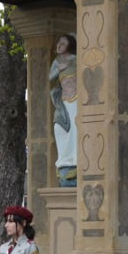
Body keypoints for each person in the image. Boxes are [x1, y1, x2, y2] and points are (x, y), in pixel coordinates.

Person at [50, 34, 78, 187]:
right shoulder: (57, 62)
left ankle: (74, 160)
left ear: (69, 45)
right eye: (59, 42)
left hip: (76, 99)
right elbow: (50, 77)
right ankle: (64, 160)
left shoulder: (75, 59)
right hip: (63, 101)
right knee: (58, 128)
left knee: (76, 128)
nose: (60, 45)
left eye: (63, 43)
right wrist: (59, 68)